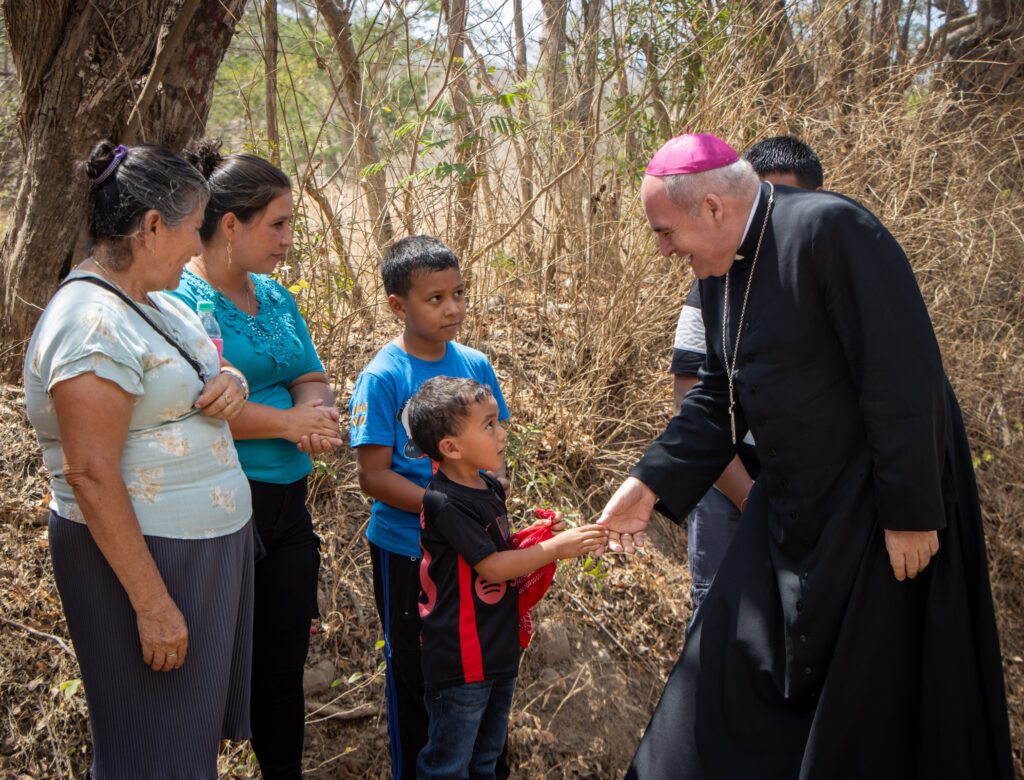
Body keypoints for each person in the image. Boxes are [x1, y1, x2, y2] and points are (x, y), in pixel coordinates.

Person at [598, 133, 1013, 779]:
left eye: (665, 232)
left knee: (875, 709)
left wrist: (910, 511)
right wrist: (648, 484)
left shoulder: (832, 228)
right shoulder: (720, 270)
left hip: (881, 512)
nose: (663, 249)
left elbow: (903, 376)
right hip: (792, 507)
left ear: (711, 206)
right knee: (720, 679)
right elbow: (721, 396)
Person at [23, 141, 255, 779]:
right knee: (148, 755)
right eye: (193, 228)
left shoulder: (161, 301)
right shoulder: (90, 323)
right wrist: (153, 604)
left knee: (182, 748)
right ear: (152, 225)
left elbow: (203, 365)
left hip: (199, 549)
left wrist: (231, 381)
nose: (198, 247)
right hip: (147, 561)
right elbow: (91, 473)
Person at [170, 140, 340, 780]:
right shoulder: (181, 300)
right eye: (279, 224)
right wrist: (289, 423)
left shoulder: (274, 296)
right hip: (221, 513)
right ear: (231, 224)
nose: (289, 238)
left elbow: (308, 372)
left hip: (288, 513)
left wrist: (316, 412)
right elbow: (198, 405)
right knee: (207, 670)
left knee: (280, 668)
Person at [349, 235, 509, 780]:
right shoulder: (384, 376)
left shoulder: (475, 365)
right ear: (398, 305)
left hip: (478, 554)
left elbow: (496, 454)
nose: (454, 308)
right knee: (418, 680)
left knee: (484, 675)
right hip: (407, 552)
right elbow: (374, 476)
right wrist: (445, 508)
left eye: (459, 293)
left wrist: (488, 513)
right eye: (435, 298)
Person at [406, 376, 607, 779]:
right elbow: (492, 567)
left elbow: (497, 549)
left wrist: (534, 540)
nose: (503, 432)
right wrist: (555, 548)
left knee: (486, 759)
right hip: (462, 658)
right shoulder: (444, 501)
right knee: (448, 766)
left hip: (497, 649)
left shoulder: (488, 487)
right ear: (450, 447)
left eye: (498, 421)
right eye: (489, 425)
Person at [669, 136, 823, 628]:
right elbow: (694, 401)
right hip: (725, 481)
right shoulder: (709, 289)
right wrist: (747, 496)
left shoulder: (828, 283)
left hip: (808, 484)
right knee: (717, 618)